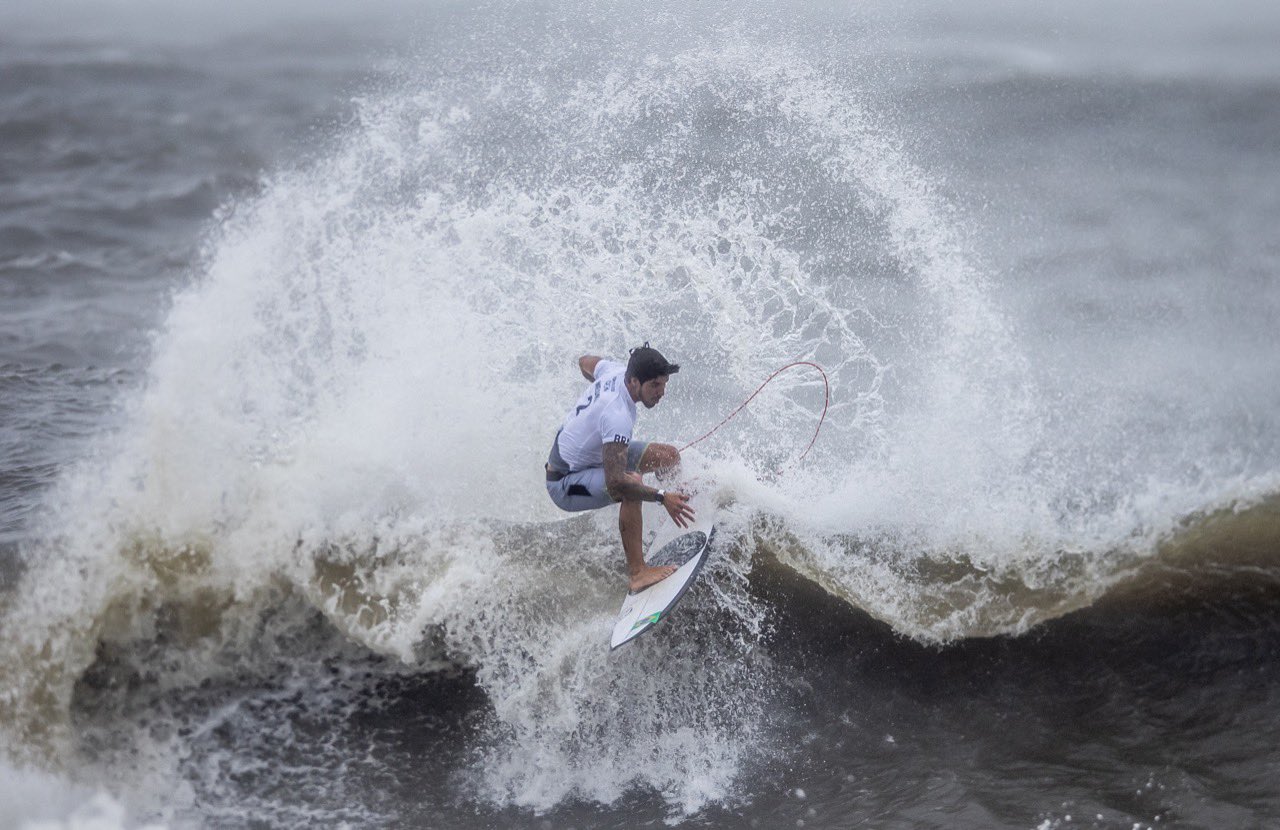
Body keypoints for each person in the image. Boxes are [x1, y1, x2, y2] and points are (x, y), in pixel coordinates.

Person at [545, 344, 696, 592]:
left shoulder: (614, 370)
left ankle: (678, 501)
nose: (662, 393)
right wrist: (659, 496)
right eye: (655, 386)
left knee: (668, 456)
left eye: (664, 384)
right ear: (635, 382)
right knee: (631, 485)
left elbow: (585, 361)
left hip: (592, 460)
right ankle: (638, 573)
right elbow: (617, 483)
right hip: (566, 485)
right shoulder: (617, 416)